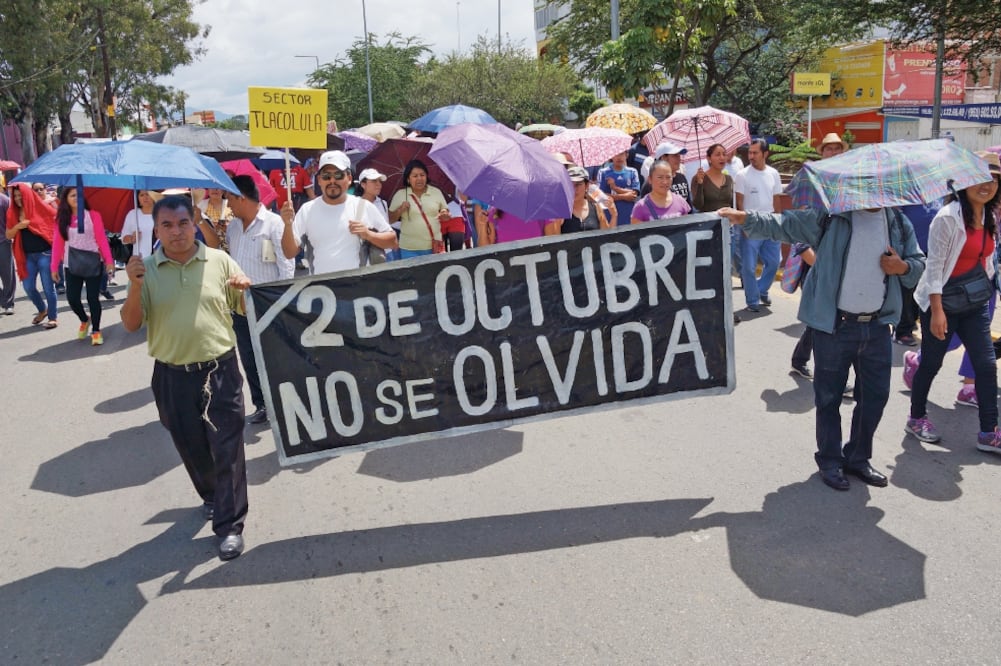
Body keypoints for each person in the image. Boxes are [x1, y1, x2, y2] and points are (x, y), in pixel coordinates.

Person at [717, 200, 925, 492]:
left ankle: (857, 458)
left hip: (878, 327)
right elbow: (784, 224)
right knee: (828, 398)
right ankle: (829, 459)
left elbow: (918, 265)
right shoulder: (832, 218)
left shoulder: (898, 224)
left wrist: (902, 266)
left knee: (874, 399)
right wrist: (744, 217)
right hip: (835, 326)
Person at [120, 195, 252, 561]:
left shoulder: (219, 260)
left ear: (193, 223)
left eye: (182, 223)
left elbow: (243, 308)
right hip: (172, 377)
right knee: (191, 446)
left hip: (220, 370)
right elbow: (131, 324)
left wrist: (244, 288)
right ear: (156, 228)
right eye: (167, 225)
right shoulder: (145, 270)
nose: (176, 232)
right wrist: (133, 286)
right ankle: (212, 495)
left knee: (227, 447)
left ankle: (230, 525)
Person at [904, 154, 1001, 454]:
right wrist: (936, 311)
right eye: (981, 178)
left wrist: (989, 285)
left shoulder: (989, 217)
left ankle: (988, 431)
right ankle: (916, 417)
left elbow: (985, 259)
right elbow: (934, 267)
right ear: (964, 182)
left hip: (972, 302)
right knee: (931, 363)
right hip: (940, 300)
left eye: (994, 180)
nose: (987, 185)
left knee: (985, 366)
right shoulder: (948, 216)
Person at [225, 175, 295, 425]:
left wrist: (281, 303)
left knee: (274, 357)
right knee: (249, 357)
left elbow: (287, 265)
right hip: (240, 306)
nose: (228, 205)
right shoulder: (233, 227)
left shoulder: (274, 224)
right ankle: (262, 404)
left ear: (240, 197)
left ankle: (285, 403)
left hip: (268, 305)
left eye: (230, 199)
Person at [280, 150, 396, 274]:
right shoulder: (307, 210)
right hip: (321, 289)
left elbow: (393, 241)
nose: (332, 181)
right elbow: (289, 253)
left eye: (338, 175)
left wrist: (368, 234)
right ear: (319, 180)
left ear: (349, 178)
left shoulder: (363, 206)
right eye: (326, 176)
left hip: (357, 288)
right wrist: (287, 225)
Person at [50, 188, 115, 345]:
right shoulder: (62, 219)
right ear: (66, 199)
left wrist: (109, 260)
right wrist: (53, 267)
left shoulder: (93, 216)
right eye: (72, 195)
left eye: (79, 195)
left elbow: (101, 239)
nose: (76, 198)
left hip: (93, 262)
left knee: (93, 298)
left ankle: (96, 330)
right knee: (72, 299)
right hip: (71, 264)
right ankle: (85, 320)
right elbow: (57, 243)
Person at [734, 139, 784, 312]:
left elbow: (777, 199)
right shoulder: (742, 175)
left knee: (774, 262)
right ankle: (753, 300)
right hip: (751, 224)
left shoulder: (774, 173)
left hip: (770, 222)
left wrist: (779, 223)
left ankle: (761, 289)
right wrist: (745, 225)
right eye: (750, 152)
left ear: (765, 154)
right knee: (748, 266)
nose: (751, 156)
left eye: (755, 153)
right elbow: (739, 203)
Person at [5, 182, 58, 328]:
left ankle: (53, 317)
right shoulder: (12, 213)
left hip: (45, 254)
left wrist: (34, 225)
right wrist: (18, 226)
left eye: (20, 195)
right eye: (15, 196)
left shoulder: (41, 208)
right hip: (27, 256)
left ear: (27, 195)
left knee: (48, 288)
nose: (17, 199)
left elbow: (54, 224)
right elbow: (8, 235)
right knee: (28, 287)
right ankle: (42, 309)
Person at [388, 159, 450, 258]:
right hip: (409, 249)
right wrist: (400, 210)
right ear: (408, 179)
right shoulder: (400, 194)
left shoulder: (436, 192)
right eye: (415, 176)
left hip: (435, 247)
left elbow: (445, 211)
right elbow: (390, 220)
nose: (419, 179)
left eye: (422, 175)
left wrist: (445, 214)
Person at [545, 166, 611, 235]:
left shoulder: (596, 208)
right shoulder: (560, 212)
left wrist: (614, 215)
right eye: (570, 185)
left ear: (586, 185)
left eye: (578, 185)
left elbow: (606, 237)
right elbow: (555, 242)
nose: (574, 189)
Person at [356, 168, 397, 260]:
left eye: (379, 181)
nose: (378, 184)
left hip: (388, 252)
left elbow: (387, 225)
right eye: (374, 181)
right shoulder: (357, 205)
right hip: (368, 255)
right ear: (363, 184)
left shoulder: (383, 203)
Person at [597, 151, 640, 227]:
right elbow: (601, 197)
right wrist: (625, 196)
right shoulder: (603, 172)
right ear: (611, 156)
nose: (618, 157)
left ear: (626, 155)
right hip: (609, 218)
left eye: (621, 154)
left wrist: (615, 188)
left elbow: (634, 194)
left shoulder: (632, 172)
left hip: (628, 217)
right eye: (615, 154)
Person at [121, 190, 161, 259]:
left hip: (158, 257)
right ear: (138, 198)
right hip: (139, 259)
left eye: (147, 194)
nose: (145, 197)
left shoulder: (162, 213)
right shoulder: (133, 214)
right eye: (142, 195)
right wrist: (131, 238)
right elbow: (123, 238)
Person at [0, 190, 14, 315]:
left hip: (3, 241)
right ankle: (3, 299)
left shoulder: (4, 200)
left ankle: (8, 303)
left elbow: (11, 220)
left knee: (7, 274)